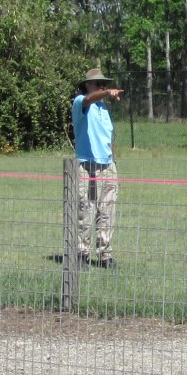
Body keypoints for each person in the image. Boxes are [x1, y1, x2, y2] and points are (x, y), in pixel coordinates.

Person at [72, 67, 123, 267]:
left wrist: (113, 159)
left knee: (107, 210)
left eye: (104, 84)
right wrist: (107, 93)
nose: (102, 87)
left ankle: (105, 256)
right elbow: (88, 100)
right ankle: (81, 254)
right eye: (98, 84)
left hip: (107, 165)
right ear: (87, 85)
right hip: (88, 164)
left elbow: (108, 137)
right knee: (87, 209)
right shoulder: (81, 102)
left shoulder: (103, 109)